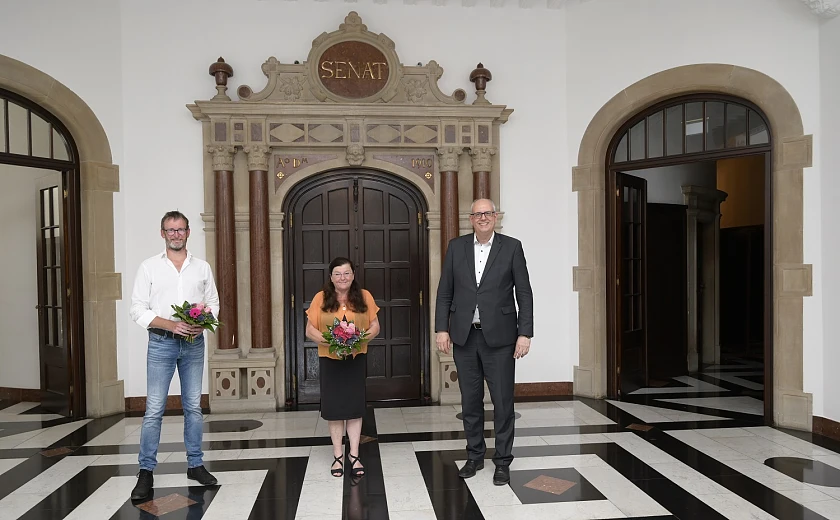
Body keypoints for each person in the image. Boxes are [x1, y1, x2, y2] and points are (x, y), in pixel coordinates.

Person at [434, 198, 533, 486]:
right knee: (470, 401)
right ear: (470, 218)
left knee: (502, 402)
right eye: (478, 214)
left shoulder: (512, 247)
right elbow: (444, 293)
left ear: (495, 216)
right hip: (465, 337)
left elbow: (524, 294)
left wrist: (524, 333)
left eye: (487, 213)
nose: (483, 218)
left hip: (501, 338)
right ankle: (475, 455)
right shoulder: (456, 247)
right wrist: (442, 329)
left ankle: (502, 461)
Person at [128, 210, 220, 500]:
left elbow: (213, 303)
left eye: (180, 230)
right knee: (154, 409)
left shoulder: (202, 267)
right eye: (170, 230)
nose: (176, 234)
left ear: (188, 232)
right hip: (161, 343)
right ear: (162, 234)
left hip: (194, 343)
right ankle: (145, 472)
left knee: (193, 406)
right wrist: (171, 324)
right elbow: (137, 309)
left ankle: (195, 464)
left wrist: (202, 321)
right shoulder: (148, 267)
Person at [306, 257, 380, 478]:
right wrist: (332, 342)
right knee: (335, 409)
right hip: (330, 361)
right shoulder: (321, 298)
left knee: (354, 408)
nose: (342, 278)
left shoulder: (364, 296)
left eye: (346, 273)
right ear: (331, 277)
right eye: (337, 274)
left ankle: (354, 455)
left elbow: (375, 326)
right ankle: (338, 455)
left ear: (353, 275)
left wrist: (357, 340)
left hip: (355, 360)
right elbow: (310, 329)